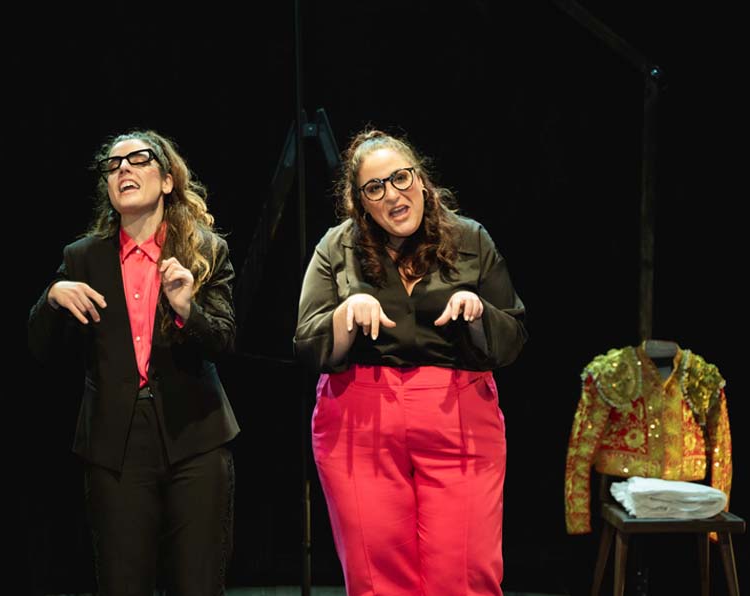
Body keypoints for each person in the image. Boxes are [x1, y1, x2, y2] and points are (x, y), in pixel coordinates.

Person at [294, 128, 527, 596]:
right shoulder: (337, 247)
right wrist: (345, 316)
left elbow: (514, 335)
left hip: (457, 411)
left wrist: (478, 313)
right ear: (361, 202)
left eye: (400, 178)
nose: (392, 195)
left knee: (464, 573)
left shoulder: (469, 238)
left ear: (420, 180)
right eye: (375, 188)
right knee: (376, 576)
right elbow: (307, 343)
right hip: (360, 420)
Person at [28, 129, 239, 596]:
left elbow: (224, 342)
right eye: (114, 164)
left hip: (195, 436)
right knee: (123, 584)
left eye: (138, 159)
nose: (123, 168)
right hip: (116, 440)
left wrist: (188, 308)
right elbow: (40, 347)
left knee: (199, 584)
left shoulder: (203, 251)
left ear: (166, 181)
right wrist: (52, 298)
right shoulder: (81, 258)